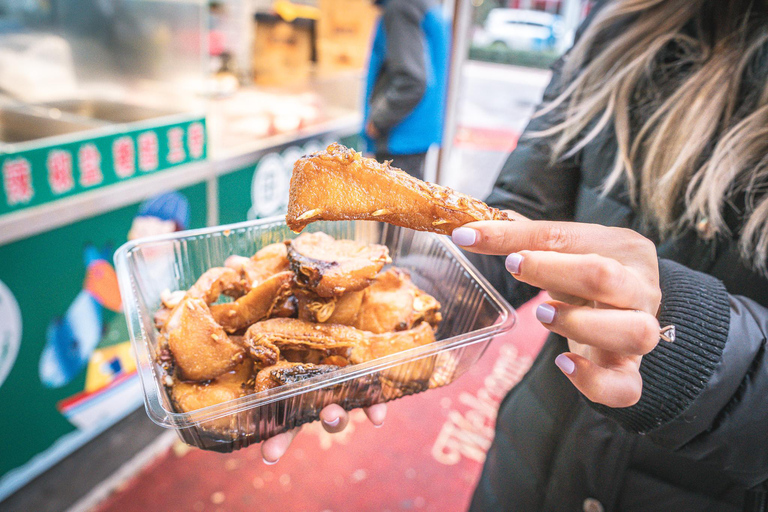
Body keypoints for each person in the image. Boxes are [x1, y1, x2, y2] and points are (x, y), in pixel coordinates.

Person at [266, 1, 768, 510]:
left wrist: (696, 345)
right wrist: (403, 300)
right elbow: (523, 213)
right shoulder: (618, 21)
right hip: (531, 454)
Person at [362, 0, 449, 180]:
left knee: (393, 205)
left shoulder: (402, 6)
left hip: (399, 137)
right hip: (412, 135)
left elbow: (412, 80)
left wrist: (378, 119)